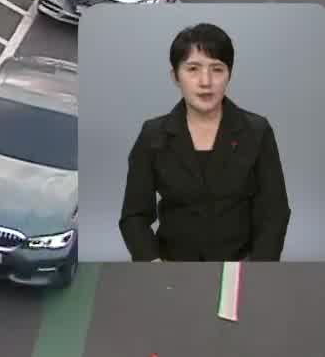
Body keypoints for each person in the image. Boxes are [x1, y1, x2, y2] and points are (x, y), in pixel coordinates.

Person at [118, 22, 290, 262]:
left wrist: (257, 271)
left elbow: (275, 213)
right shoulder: (153, 135)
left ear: (229, 74)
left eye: (217, 69)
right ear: (175, 76)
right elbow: (133, 216)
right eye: (193, 69)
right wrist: (154, 265)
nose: (205, 81)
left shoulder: (256, 131)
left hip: (239, 268)